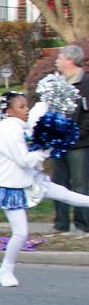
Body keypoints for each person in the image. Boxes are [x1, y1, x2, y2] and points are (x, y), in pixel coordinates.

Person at [0, 93, 89, 286]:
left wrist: (49, 108)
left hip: (30, 180)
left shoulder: (21, 127)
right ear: (9, 110)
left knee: (65, 194)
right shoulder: (5, 131)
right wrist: (47, 149)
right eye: (21, 107)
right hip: (10, 186)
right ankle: (5, 270)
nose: (26, 110)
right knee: (21, 233)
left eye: (26, 106)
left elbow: (38, 120)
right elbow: (24, 160)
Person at [50, 45, 89, 234]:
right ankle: (61, 223)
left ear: (70, 60)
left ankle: (83, 225)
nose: (57, 59)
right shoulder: (57, 83)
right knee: (58, 183)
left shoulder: (86, 82)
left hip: (79, 144)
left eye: (60, 56)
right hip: (58, 143)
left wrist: (78, 134)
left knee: (80, 183)